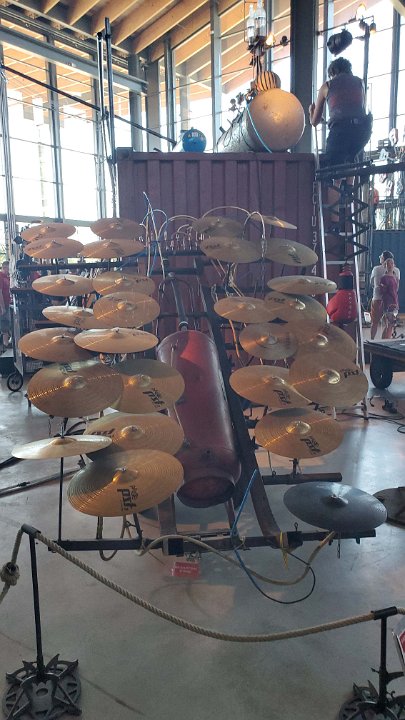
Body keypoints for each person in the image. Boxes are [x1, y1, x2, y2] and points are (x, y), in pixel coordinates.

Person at [309, 57, 373, 170]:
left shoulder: (327, 86)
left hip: (341, 132)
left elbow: (314, 121)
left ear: (333, 72)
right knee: (351, 158)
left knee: (333, 167)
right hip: (363, 131)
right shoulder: (360, 82)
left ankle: (337, 180)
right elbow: (359, 109)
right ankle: (351, 179)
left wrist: (311, 112)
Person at [370, 250, 400, 340]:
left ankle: (372, 340)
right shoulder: (397, 271)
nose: (379, 258)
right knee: (389, 324)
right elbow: (397, 287)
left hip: (377, 299)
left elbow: (372, 283)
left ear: (384, 259)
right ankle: (385, 342)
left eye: (381, 257)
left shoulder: (376, 269)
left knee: (374, 322)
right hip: (391, 301)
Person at [380, 257, 399, 339]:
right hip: (388, 302)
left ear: (394, 265)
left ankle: (386, 339)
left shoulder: (395, 277)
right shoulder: (384, 278)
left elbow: (396, 290)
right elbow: (382, 291)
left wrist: (396, 302)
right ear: (385, 266)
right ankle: (385, 340)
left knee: (391, 324)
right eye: (388, 264)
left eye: (391, 264)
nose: (390, 265)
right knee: (389, 323)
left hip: (394, 301)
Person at [0, 260, 11, 349]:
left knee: (7, 322)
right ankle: (5, 343)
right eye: (9, 268)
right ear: (4, 267)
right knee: (4, 322)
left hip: (7, 302)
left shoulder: (7, 277)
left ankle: (7, 342)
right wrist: (2, 307)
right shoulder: (0, 276)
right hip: (2, 304)